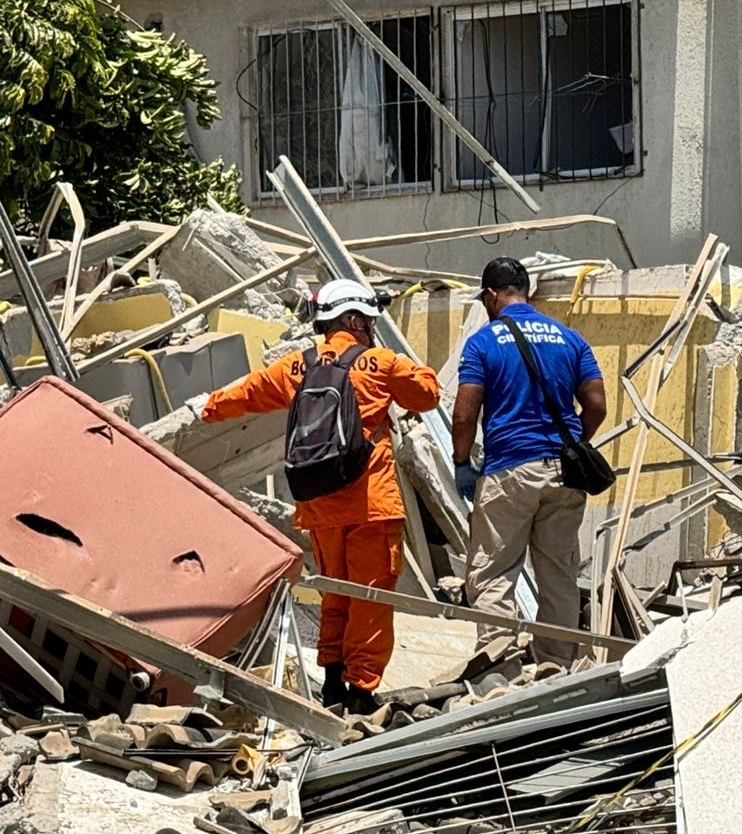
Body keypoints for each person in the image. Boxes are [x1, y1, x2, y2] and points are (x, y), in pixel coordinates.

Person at [200, 279, 441, 712]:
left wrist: (208, 406)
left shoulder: (298, 366)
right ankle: (363, 690)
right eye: (367, 320)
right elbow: (426, 396)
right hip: (370, 503)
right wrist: (412, 366)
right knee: (371, 594)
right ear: (353, 319)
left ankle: (331, 682)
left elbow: (249, 393)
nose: (370, 328)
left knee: (335, 592)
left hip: (319, 504)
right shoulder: (380, 363)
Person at [452, 257, 607, 673]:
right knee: (558, 572)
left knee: (493, 570)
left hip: (508, 470)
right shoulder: (570, 339)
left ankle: (498, 664)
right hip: (563, 471)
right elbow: (596, 404)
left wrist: (462, 462)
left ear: (491, 295)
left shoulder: (484, 342)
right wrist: (574, 444)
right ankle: (555, 663)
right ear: (527, 293)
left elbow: (465, 413)